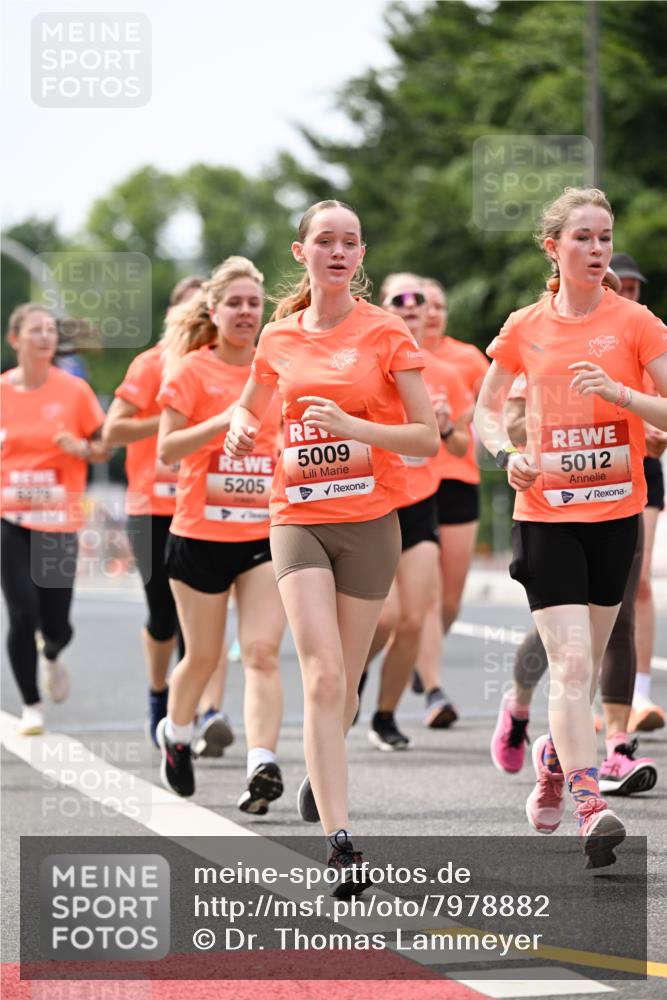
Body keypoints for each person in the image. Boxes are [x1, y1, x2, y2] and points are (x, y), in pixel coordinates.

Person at [225, 200, 439, 893]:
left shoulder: (385, 333)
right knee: (318, 673)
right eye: (325, 241)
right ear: (302, 253)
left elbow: (423, 439)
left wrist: (353, 425)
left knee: (342, 687)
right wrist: (235, 427)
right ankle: (341, 842)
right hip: (296, 517)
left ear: (360, 254)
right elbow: (250, 406)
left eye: (350, 242)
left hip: (370, 522)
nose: (338, 252)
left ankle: (325, 768)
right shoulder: (279, 338)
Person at [474, 187, 667, 868]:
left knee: (578, 672)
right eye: (581, 237)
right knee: (572, 664)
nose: (596, 249)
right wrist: (508, 454)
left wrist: (619, 394)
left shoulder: (636, 322)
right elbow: (486, 410)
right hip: (546, 516)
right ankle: (591, 804)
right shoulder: (524, 325)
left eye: (604, 237)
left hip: (614, 513)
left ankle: (554, 761)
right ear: (551, 247)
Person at [491, 350, 658, 797]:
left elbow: (656, 423)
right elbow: (508, 416)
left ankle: (616, 743)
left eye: (632, 288)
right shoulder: (544, 340)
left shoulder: (637, 337)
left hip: (624, 487)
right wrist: (539, 439)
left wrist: (634, 410)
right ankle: (520, 706)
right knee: (564, 647)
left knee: (618, 618)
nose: (622, 292)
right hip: (553, 504)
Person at [155, 256, 286, 814]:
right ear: (214, 310)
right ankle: (176, 734)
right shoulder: (191, 371)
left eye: (254, 302)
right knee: (204, 657)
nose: (245, 311)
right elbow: (166, 450)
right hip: (199, 534)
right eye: (234, 302)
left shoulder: (279, 369)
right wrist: (226, 420)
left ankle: (261, 762)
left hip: (264, 531)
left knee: (260, 651)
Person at [103, 276, 233, 755]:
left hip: (210, 505)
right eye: (189, 308)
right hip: (153, 504)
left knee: (208, 616)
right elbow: (113, 429)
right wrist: (176, 419)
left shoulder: (231, 365)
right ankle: (160, 697)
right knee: (163, 615)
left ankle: (207, 711)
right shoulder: (150, 364)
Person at [361, 273, 471, 750]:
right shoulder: (362, 365)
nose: (410, 307)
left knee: (416, 616)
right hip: (371, 503)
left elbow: (466, 444)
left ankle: (385, 715)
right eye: (398, 300)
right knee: (384, 619)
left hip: (421, 503)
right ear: (382, 307)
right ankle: (356, 674)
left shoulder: (441, 371)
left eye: (418, 301)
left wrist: (445, 429)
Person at [1, 303, 107, 734]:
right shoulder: (2, 391)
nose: (46, 337)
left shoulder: (74, 391)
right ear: (15, 339)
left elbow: (104, 447)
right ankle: (31, 705)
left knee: (57, 622)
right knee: (22, 613)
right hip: (9, 518)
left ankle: (52, 654)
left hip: (59, 519)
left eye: (51, 330)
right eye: (36, 330)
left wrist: (81, 448)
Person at [412, 278, 489, 722]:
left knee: (450, 598)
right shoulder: (394, 355)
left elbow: (488, 414)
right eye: (426, 304)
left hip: (459, 478)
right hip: (416, 481)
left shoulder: (466, 360)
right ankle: (432, 679)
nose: (434, 312)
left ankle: (424, 653)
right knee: (427, 591)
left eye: (440, 304)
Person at [611, 252, 667, 732]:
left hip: (644, 467)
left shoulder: (649, 332)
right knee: (599, 590)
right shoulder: (584, 331)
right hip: (591, 471)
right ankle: (594, 700)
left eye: (635, 287)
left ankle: (640, 697)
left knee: (640, 580)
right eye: (621, 286)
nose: (629, 295)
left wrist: (659, 434)